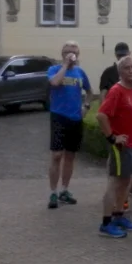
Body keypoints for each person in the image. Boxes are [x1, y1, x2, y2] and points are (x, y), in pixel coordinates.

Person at [96, 56, 132, 238]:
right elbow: (101, 116)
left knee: (126, 182)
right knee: (115, 182)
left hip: (131, 144)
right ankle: (106, 223)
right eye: (127, 68)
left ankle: (118, 215)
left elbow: (125, 114)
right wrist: (112, 137)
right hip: (121, 147)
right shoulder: (117, 90)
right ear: (120, 72)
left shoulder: (130, 89)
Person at [46, 41, 93, 209]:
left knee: (70, 156)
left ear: (78, 54)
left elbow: (89, 92)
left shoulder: (80, 72)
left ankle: (65, 190)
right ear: (62, 53)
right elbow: (55, 83)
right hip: (59, 116)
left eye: (73, 51)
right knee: (56, 155)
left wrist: (86, 107)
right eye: (67, 51)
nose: (70, 54)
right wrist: (65, 66)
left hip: (75, 118)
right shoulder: (54, 70)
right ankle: (53, 192)